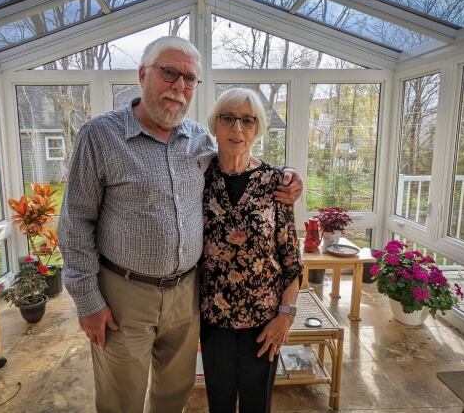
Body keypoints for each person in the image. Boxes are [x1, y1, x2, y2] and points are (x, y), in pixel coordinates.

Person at [57, 37, 303, 412]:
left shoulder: (198, 141)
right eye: (169, 72)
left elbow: (239, 156)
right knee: (121, 398)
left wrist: (287, 176)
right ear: (143, 74)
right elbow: (75, 221)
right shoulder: (101, 136)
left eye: (189, 79)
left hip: (186, 297)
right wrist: (88, 302)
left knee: (174, 392)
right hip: (124, 295)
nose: (179, 86)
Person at [199, 88, 303, 413]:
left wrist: (285, 316)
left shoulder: (276, 183)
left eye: (248, 120)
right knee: (219, 403)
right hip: (213, 321)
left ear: (258, 129)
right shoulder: (198, 176)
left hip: (264, 322)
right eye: (228, 118)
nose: (237, 129)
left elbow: (291, 259)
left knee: (258, 405)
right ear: (214, 125)